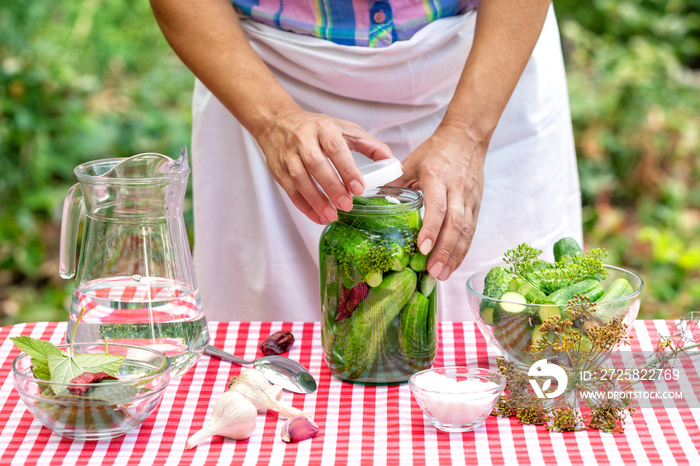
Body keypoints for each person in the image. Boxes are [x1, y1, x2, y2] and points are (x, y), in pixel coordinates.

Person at [149, 0, 583, 322]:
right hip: (261, 76)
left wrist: (468, 133)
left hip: (484, 67)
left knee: (522, 327)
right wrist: (275, 120)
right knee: (267, 359)